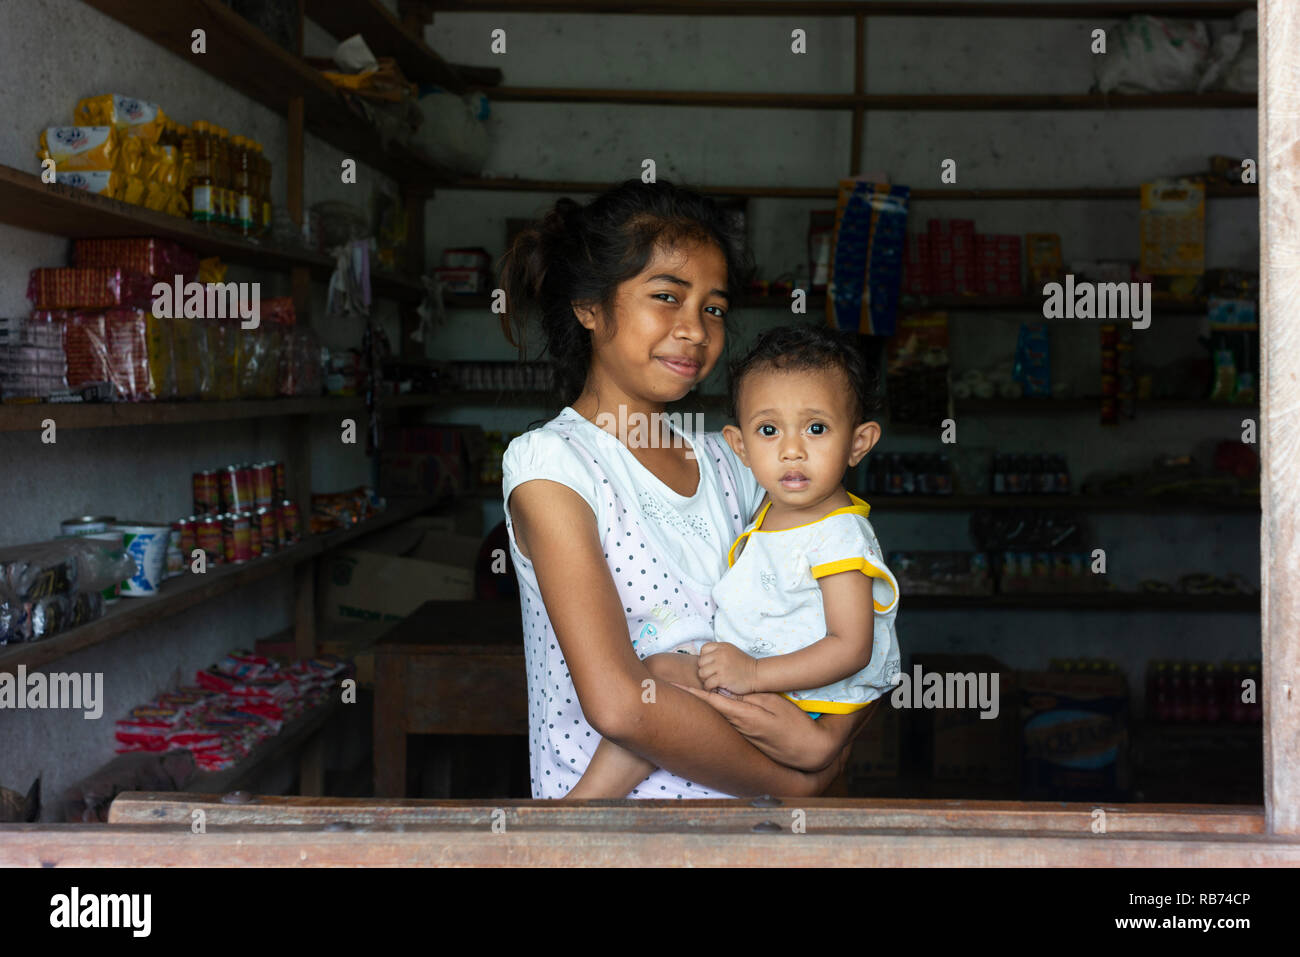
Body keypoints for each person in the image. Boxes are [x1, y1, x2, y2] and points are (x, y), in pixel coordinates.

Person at [499, 179, 878, 799]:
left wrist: (828, 739)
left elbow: (852, 610)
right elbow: (622, 706)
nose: (696, 330)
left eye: (714, 308)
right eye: (667, 297)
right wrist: (800, 782)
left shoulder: (734, 460)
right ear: (589, 306)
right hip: (613, 834)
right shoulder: (553, 465)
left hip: (755, 831)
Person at [565, 324, 900, 799]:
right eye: (769, 430)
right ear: (740, 446)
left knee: (658, 683)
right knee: (657, 679)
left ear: (858, 443)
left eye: (816, 428)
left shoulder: (839, 536)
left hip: (805, 709)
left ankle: (577, 809)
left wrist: (754, 675)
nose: (791, 450)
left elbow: (852, 649)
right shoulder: (771, 512)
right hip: (769, 688)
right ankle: (577, 808)